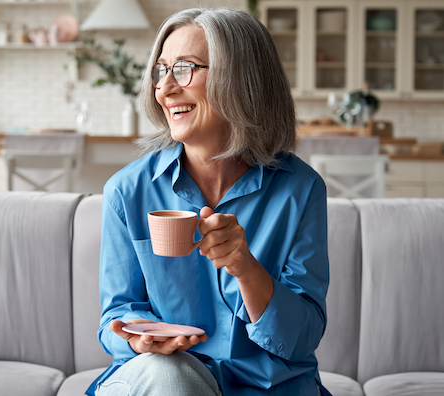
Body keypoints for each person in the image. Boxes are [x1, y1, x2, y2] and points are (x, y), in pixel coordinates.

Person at [86, 7, 331, 396]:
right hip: (163, 379)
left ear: (241, 79)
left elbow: (301, 338)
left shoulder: (300, 191)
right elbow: (116, 316)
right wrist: (137, 338)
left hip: (268, 388)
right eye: (160, 70)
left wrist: (245, 268)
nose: (165, 89)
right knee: (170, 378)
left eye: (184, 68)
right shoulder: (127, 191)